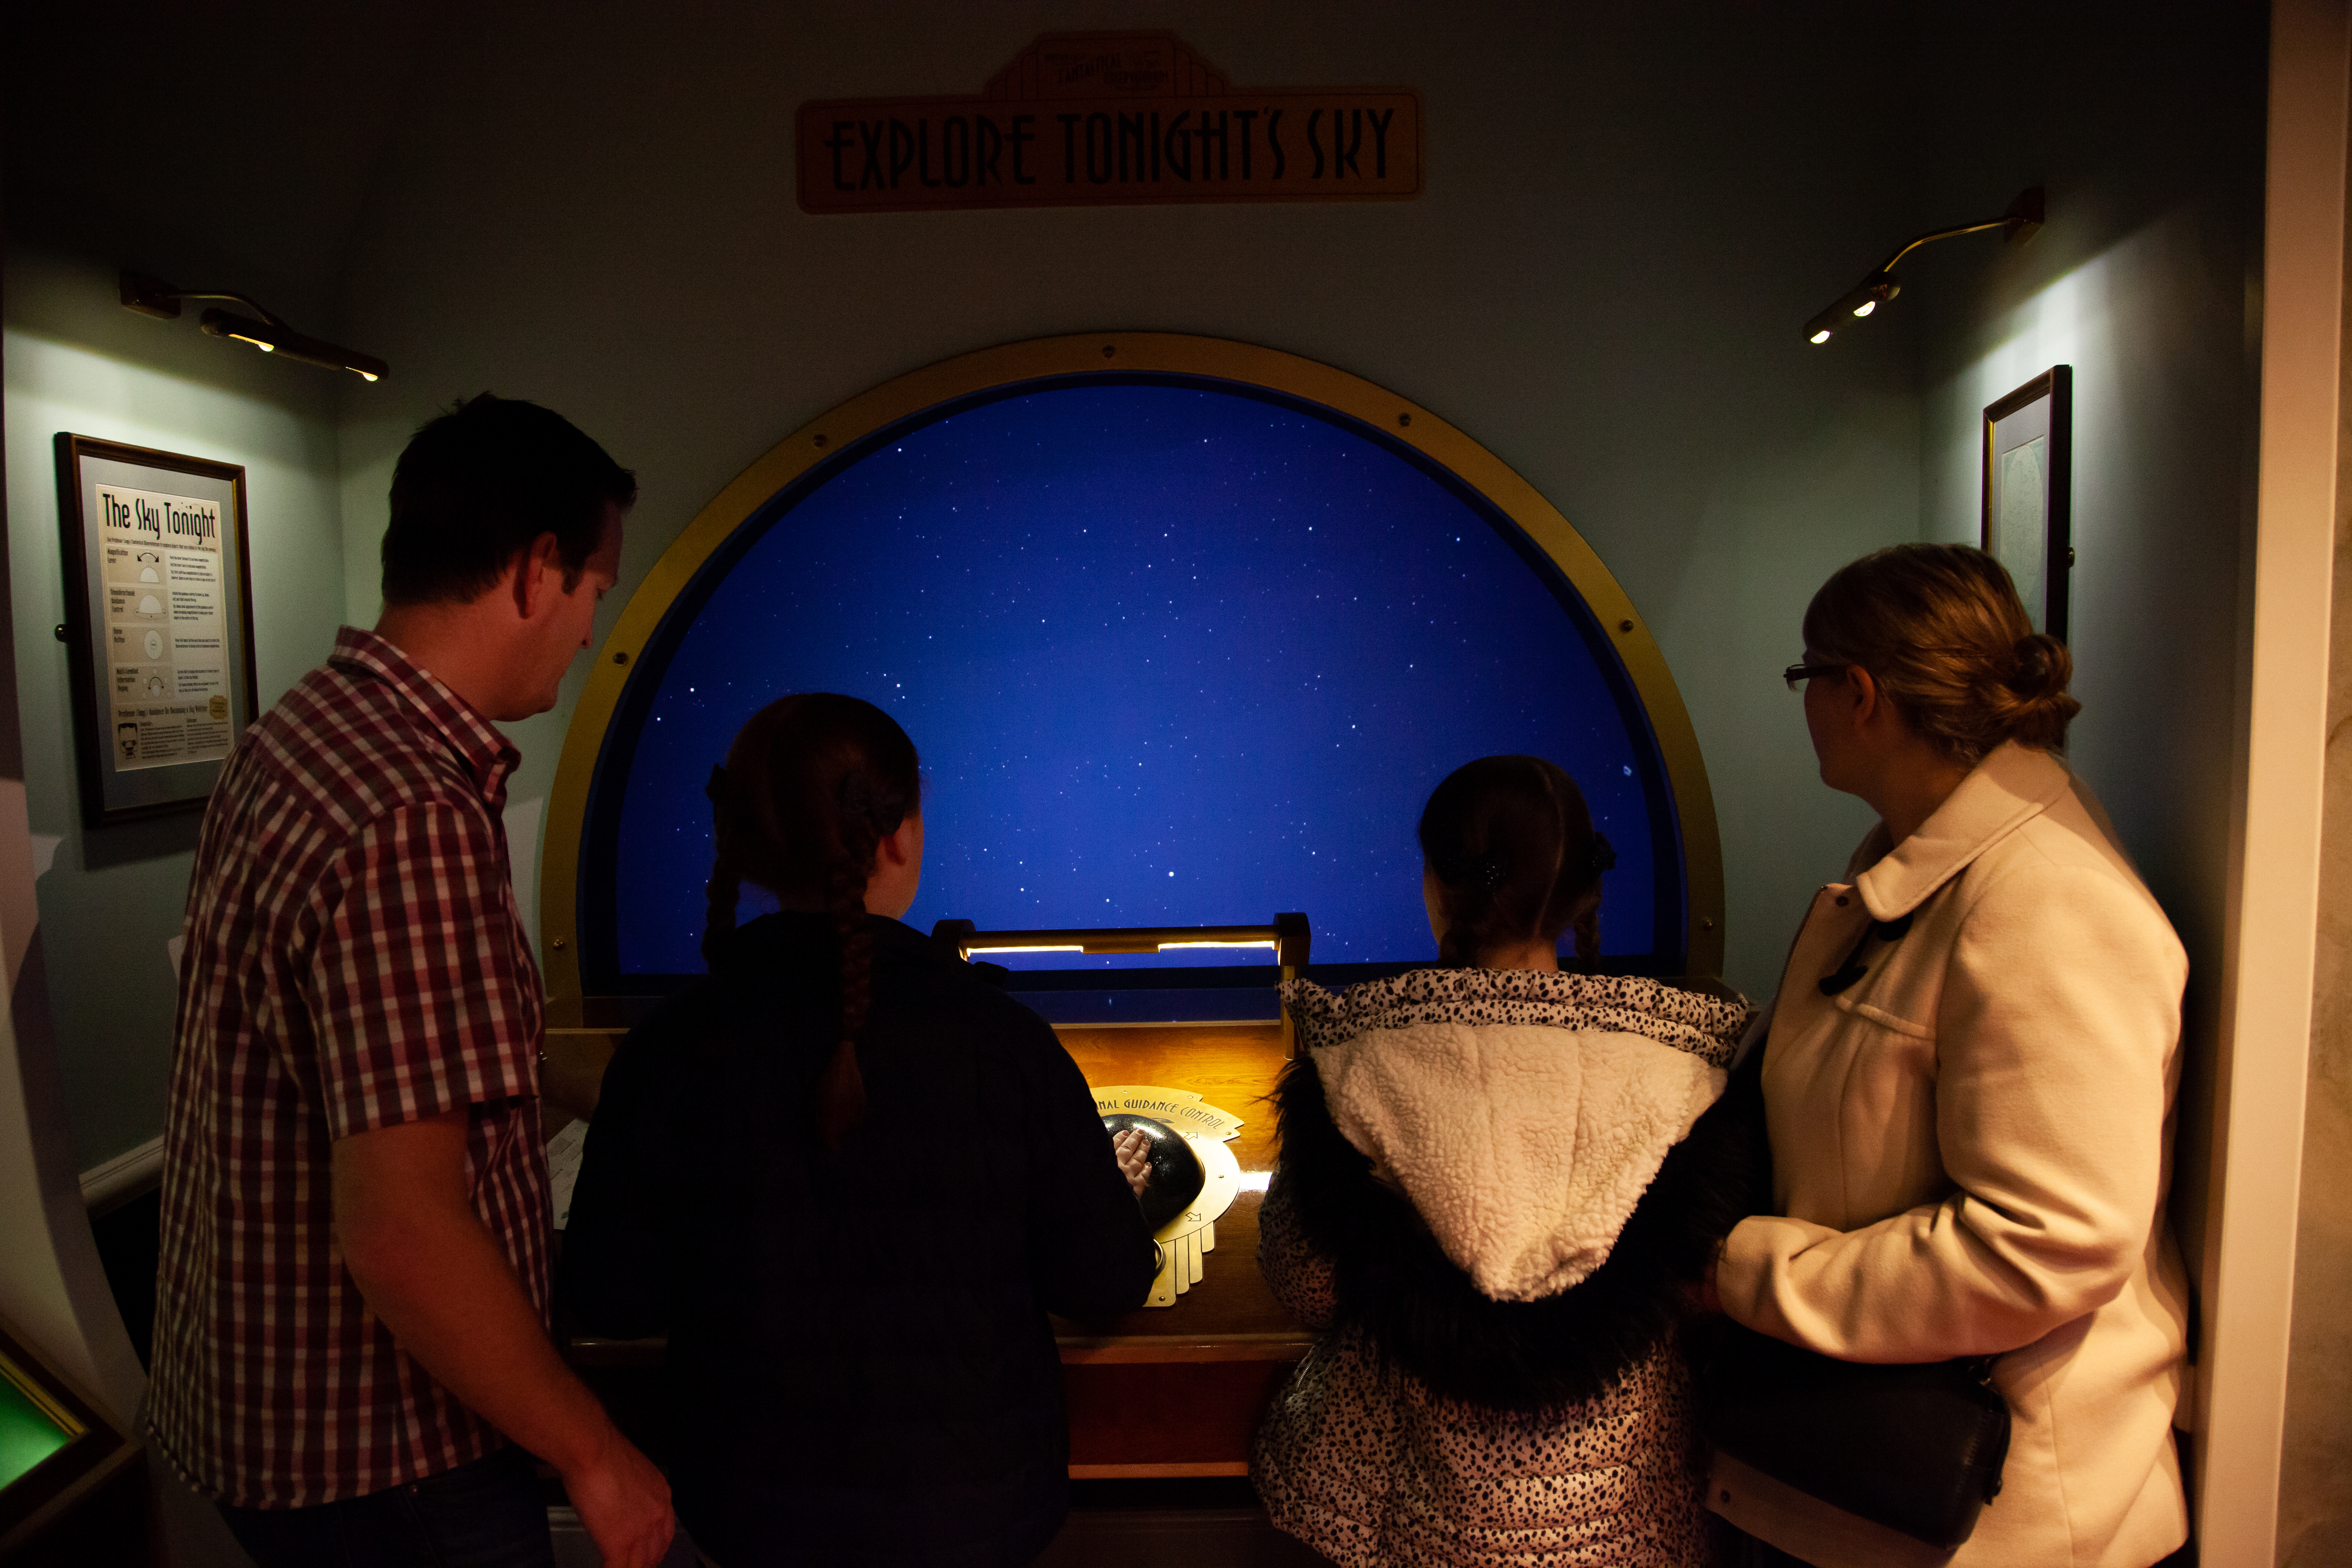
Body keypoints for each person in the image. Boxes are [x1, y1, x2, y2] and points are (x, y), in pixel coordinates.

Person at [151, 394, 676, 1568]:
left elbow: (369, 1049)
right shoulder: (414, 812)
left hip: (264, 1418)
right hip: (387, 1458)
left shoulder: (302, 736)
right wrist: (595, 1453)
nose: (592, 626)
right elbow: (400, 1228)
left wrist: (602, 1086)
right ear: (537, 569)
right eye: (596, 588)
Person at [557, 693, 1158, 1568]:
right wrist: (1114, 1193)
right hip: (976, 1517)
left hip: (747, 1519)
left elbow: (613, 1297)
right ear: (900, 837)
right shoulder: (1002, 1042)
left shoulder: (670, 1049)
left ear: (746, 843)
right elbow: (1103, 1282)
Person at [1705, 543, 2191, 1568]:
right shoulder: (1920, 857)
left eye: (1806, 678)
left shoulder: (2044, 898)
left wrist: (1743, 1275)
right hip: (1887, 1492)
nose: (1806, 706)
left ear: (1861, 693)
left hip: (1998, 1524)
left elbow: (2050, 1242)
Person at [1251, 755, 1765, 1568]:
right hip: (1635, 1520)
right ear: (1580, 894)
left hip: (1405, 1518)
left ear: (1438, 887)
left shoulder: (1355, 1071)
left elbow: (1305, 1284)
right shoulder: (1693, 1081)